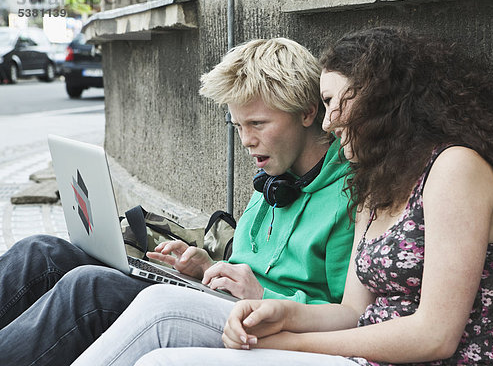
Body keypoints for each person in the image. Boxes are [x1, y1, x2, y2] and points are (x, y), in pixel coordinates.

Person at [119, 26, 493, 365]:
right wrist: (279, 312)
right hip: (357, 353)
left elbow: (435, 337)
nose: (328, 120)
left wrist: (289, 343)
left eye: (337, 101)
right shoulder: (378, 183)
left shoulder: (455, 169)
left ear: (386, 101)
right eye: (325, 102)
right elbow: (351, 311)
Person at [0, 37, 354, 366]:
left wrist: (265, 293)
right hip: (217, 297)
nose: (246, 140)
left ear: (308, 113)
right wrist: (205, 267)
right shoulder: (275, 176)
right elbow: (248, 262)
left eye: (258, 123)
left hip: (259, 322)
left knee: (89, 290)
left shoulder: (350, 199)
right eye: (238, 126)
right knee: (41, 252)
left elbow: (353, 315)